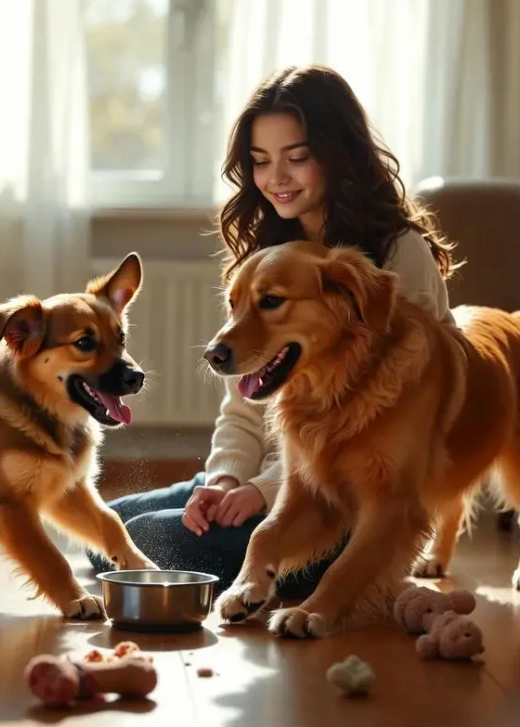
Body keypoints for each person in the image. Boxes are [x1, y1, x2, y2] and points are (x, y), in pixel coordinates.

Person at [87, 65, 460, 598]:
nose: (276, 178)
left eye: (297, 157)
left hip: (343, 509)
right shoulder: (269, 254)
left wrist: (264, 493)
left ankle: (300, 568)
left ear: (339, 152)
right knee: (107, 529)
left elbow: (386, 435)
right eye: (261, 161)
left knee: (141, 539)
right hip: (268, 482)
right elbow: (243, 405)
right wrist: (224, 481)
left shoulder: (400, 258)